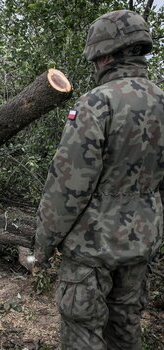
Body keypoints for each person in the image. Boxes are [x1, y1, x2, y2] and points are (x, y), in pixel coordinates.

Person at [32, 10, 164, 349]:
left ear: (104, 55)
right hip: (142, 244)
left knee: (82, 334)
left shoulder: (97, 102)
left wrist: (44, 244)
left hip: (93, 249)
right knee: (124, 332)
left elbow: (68, 185)